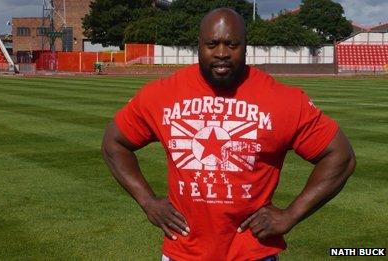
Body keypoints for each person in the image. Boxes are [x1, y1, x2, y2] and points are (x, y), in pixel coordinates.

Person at [102, 8, 356, 261]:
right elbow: (114, 142)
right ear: (198, 45)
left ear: (245, 46)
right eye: (212, 44)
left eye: (231, 44)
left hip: (254, 254)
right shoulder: (162, 94)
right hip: (183, 253)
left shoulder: (282, 100)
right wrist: (148, 202)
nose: (222, 53)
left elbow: (340, 156)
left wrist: (290, 215)